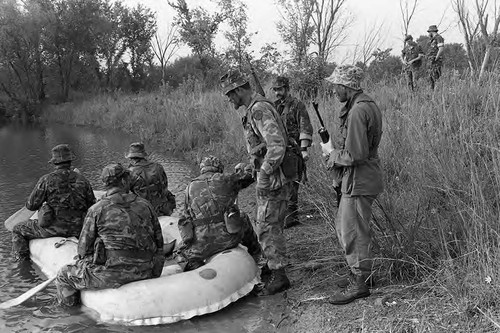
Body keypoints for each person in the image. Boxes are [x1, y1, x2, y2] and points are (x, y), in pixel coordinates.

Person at [220, 69, 291, 295]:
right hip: (269, 174)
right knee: (269, 223)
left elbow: (277, 145)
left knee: (267, 226)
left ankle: (280, 275)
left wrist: (265, 174)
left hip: (273, 178)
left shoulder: (259, 109)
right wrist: (252, 163)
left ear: (240, 90)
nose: (230, 99)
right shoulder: (253, 110)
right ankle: (273, 266)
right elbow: (264, 144)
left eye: (231, 94)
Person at [55, 163, 164, 307]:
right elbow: (159, 243)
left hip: (113, 274)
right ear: (124, 181)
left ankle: (71, 313)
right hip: (148, 270)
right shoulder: (146, 205)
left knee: (63, 275)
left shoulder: (96, 210)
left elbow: (82, 250)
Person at [320, 65, 384, 305]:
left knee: (352, 231)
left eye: (337, 85)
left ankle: (361, 284)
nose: (334, 90)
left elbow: (356, 154)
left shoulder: (358, 111)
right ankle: (361, 275)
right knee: (348, 226)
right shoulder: (367, 105)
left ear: (347, 86)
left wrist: (332, 155)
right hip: (362, 177)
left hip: (359, 179)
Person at [11, 144, 95, 261]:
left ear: (55, 163)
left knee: (17, 228)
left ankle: (22, 261)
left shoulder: (46, 180)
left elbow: (31, 205)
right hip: (79, 228)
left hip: (52, 229)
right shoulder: (83, 180)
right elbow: (92, 206)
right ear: (70, 161)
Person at [175, 156, 260, 271]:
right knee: (243, 217)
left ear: (202, 168)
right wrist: (243, 167)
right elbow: (250, 176)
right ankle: (256, 255)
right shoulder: (226, 179)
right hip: (228, 238)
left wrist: (189, 241)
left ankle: (198, 268)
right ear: (219, 168)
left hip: (201, 244)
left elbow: (185, 219)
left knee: (179, 254)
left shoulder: (189, 187)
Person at [272, 76, 313, 228]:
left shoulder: (297, 105)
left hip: (292, 151)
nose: (277, 93)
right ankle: (280, 213)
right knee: (278, 184)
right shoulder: (274, 106)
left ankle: (291, 215)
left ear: (287, 88)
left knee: (291, 184)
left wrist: (304, 149)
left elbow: (305, 127)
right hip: (277, 151)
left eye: (280, 89)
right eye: (275, 90)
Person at [126, 142, 176, 216]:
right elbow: (165, 187)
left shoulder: (130, 173)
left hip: (144, 212)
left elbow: (127, 194)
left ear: (131, 158)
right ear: (144, 156)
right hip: (162, 209)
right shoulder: (158, 167)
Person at [426, 25, 445, 90]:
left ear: (431, 31)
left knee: (436, 79)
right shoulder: (432, 40)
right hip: (431, 63)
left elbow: (441, 49)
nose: (428, 34)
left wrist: (436, 58)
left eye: (429, 32)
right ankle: (432, 94)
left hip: (436, 63)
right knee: (431, 79)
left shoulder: (439, 38)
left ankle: (437, 94)